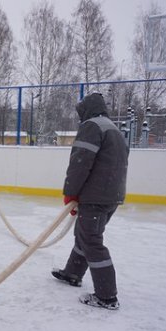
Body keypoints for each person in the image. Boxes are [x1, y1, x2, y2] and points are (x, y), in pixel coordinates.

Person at [52, 92, 129, 310]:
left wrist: (71, 192)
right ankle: (72, 273)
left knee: (92, 241)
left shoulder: (92, 127)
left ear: (86, 110)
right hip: (111, 195)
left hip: (95, 196)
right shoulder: (114, 129)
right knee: (85, 235)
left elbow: (80, 163)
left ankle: (106, 296)